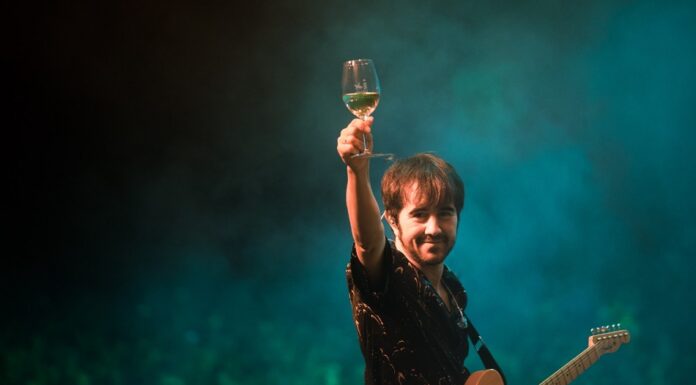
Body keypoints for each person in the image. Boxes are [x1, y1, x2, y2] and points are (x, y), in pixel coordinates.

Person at [337, 116, 472, 385]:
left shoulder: (454, 288)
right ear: (393, 220)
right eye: (419, 215)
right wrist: (356, 170)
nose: (433, 228)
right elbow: (367, 243)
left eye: (445, 213)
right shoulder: (388, 275)